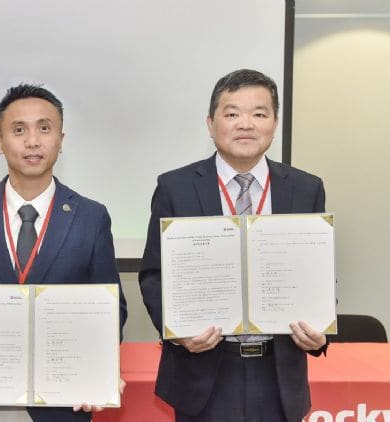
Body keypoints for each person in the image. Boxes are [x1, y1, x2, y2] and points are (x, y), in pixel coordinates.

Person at [139, 69, 328, 422]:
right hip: (202, 373)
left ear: (274, 123)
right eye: (232, 113)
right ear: (211, 124)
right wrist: (178, 332)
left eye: (259, 113)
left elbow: (317, 272)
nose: (246, 124)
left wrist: (320, 329)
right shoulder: (175, 187)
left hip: (278, 374)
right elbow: (153, 275)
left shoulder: (305, 188)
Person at [0, 83, 128, 422]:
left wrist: (98, 368)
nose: (32, 141)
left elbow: (112, 307)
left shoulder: (91, 216)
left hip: (64, 402)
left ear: (60, 139)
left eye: (44, 128)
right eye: (18, 130)